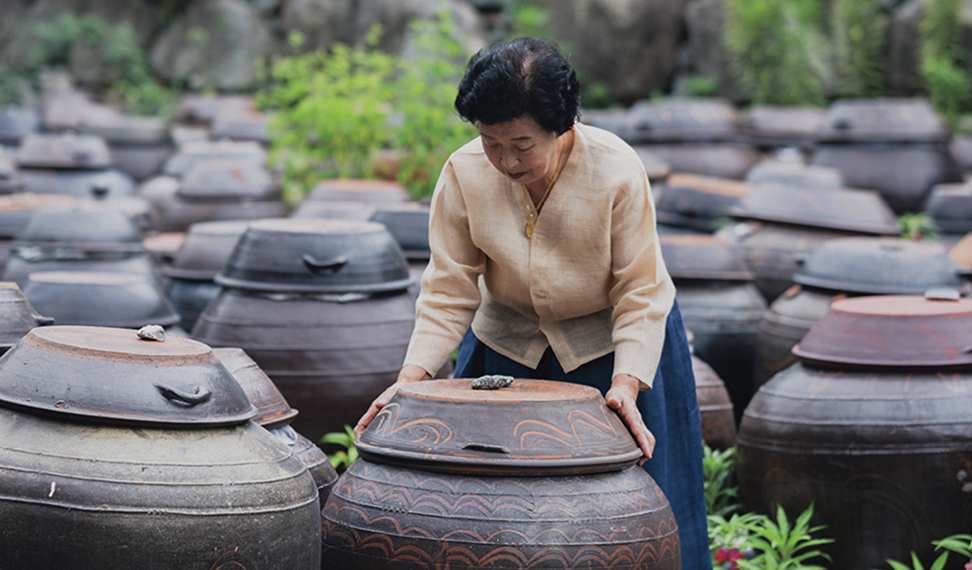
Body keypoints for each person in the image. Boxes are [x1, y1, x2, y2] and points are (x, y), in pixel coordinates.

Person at [354, 37, 710, 570]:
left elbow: (640, 290)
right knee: (492, 518)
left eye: (521, 143)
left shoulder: (615, 169)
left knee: (635, 517)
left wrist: (626, 382)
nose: (504, 159)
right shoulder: (463, 171)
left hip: (612, 345)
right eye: (491, 142)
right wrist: (413, 378)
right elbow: (449, 286)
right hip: (508, 341)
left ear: (561, 125)